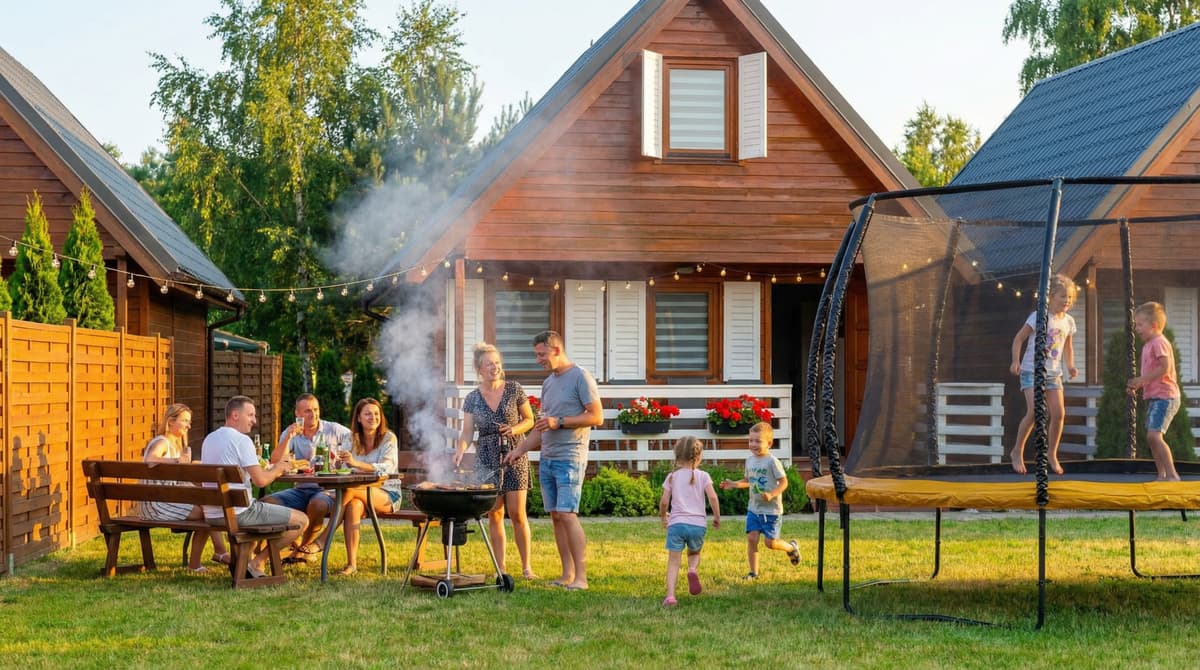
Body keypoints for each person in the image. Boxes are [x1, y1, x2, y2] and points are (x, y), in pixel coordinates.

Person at [503, 330, 603, 591]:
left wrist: (560, 421)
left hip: (570, 456)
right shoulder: (548, 383)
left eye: (542, 354)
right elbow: (541, 426)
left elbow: (596, 416)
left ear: (556, 350)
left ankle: (581, 578)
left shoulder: (580, 376)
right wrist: (519, 450)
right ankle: (567, 574)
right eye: (536, 355)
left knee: (567, 514)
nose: (538, 360)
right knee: (556, 516)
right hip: (547, 457)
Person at [454, 342, 538, 579]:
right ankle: (500, 567)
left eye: (497, 363)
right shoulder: (472, 398)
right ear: (479, 369)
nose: (495, 367)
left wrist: (513, 429)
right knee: (495, 513)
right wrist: (460, 450)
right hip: (486, 456)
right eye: (489, 364)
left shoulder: (514, 389)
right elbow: (467, 432)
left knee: (517, 514)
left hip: (514, 452)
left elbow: (529, 420)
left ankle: (527, 567)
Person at [200, 395, 307, 579]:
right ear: (235, 415)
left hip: (213, 515)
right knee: (302, 520)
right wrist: (279, 468)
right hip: (239, 514)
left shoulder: (210, 439)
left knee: (263, 508)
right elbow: (261, 481)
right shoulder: (242, 441)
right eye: (250, 415)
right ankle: (257, 562)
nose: (254, 421)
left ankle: (244, 565)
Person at [136, 403, 230, 572]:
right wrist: (177, 461)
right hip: (155, 505)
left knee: (208, 505)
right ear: (170, 421)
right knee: (208, 512)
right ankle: (215, 554)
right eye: (185, 420)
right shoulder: (162, 442)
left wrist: (193, 465)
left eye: (189, 421)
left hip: (164, 500)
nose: (189, 425)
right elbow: (150, 459)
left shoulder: (176, 446)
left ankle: (214, 554)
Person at [314, 397, 402, 575]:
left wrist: (356, 464)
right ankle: (351, 565)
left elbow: (386, 468)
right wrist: (339, 463)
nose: (373, 417)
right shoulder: (350, 438)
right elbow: (344, 467)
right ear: (359, 418)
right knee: (353, 505)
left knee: (349, 490)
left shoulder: (389, 438)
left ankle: (323, 539)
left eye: (376, 414)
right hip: (357, 494)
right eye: (367, 414)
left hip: (387, 493)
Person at [262, 393, 351, 565]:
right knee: (267, 503)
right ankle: (270, 550)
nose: (313, 414)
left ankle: (303, 551)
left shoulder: (333, 429)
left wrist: (344, 460)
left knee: (317, 504)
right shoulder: (292, 433)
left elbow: (356, 441)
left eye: (316, 410)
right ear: (297, 414)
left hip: (326, 490)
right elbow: (275, 461)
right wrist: (288, 437)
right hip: (301, 489)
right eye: (308, 411)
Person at [1009, 274, 1078, 475]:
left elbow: (1068, 347)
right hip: (1031, 370)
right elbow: (1018, 338)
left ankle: (1052, 453)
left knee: (1059, 414)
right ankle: (1017, 450)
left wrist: (1071, 366)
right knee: (1035, 412)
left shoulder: (1068, 321)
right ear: (1051, 296)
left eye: (1070, 297)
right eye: (1063, 296)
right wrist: (1015, 361)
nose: (1067, 301)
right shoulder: (1039, 316)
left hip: (1054, 374)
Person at [720, 421, 799, 578]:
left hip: (771, 510)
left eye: (758, 441)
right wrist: (733, 484)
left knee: (771, 543)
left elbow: (784, 482)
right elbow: (748, 481)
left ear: (769, 443)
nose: (753, 444)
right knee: (752, 539)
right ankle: (753, 573)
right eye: (750, 440)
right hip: (754, 509)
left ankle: (791, 548)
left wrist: (771, 494)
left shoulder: (772, 461)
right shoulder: (749, 461)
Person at [659, 436, 720, 607]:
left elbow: (664, 502)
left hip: (677, 524)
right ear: (698, 457)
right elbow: (713, 497)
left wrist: (663, 517)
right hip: (697, 525)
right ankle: (692, 569)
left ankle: (671, 596)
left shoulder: (672, 477)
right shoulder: (704, 476)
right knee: (694, 553)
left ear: (677, 456)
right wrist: (716, 516)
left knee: (673, 561)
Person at [1127, 301, 1182, 481]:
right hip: (1155, 396)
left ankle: (1172, 475)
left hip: (1166, 396)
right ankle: (1162, 474)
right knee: (1152, 438)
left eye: (1140, 324)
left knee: (1154, 435)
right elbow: (1150, 373)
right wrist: (1138, 385)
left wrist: (1141, 380)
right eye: (1136, 324)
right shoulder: (1148, 345)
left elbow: (1165, 367)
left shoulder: (1159, 342)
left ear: (1154, 325)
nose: (1137, 328)